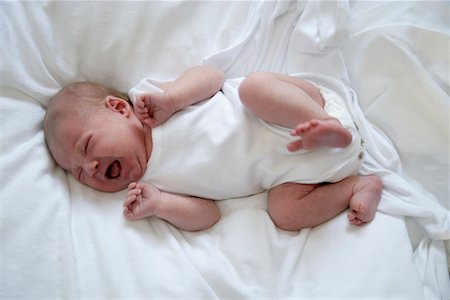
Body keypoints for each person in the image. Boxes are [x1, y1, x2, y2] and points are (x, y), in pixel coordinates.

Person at [44, 65, 382, 232]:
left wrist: (175, 97)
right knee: (285, 214)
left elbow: (212, 76)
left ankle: (327, 126)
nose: (88, 168)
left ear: (118, 109)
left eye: (86, 146)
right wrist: (161, 204)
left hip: (290, 112)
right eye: (78, 172)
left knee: (255, 88)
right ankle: (356, 185)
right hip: (304, 172)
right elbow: (209, 215)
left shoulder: (152, 104)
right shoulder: (153, 185)